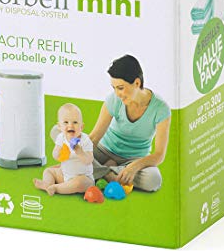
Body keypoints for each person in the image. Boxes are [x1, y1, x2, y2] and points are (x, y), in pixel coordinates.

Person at [89, 55, 171, 192]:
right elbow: (94, 138)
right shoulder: (114, 100)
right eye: (114, 88)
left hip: (134, 159)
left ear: (137, 83)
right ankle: (110, 174)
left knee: (153, 180)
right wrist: (77, 150)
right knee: (64, 137)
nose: (117, 94)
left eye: (120, 88)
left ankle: (100, 171)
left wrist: (134, 167)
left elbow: (159, 155)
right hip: (104, 151)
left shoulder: (160, 109)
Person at [33, 103, 94, 196]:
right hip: (65, 174)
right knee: (48, 171)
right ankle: (47, 184)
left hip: (82, 177)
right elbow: (55, 155)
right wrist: (58, 153)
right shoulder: (61, 138)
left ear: (81, 127)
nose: (70, 125)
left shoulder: (85, 140)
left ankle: (56, 188)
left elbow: (89, 160)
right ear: (59, 126)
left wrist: (79, 151)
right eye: (66, 122)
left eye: (75, 122)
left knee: (80, 183)